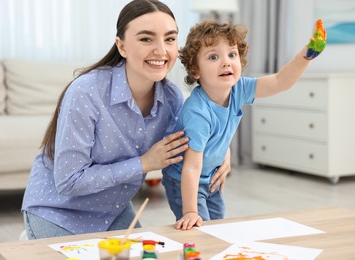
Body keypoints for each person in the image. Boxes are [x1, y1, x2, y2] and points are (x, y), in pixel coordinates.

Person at [21, 0, 231, 239]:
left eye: (170, 39)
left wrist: (222, 149)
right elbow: (68, 181)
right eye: (146, 39)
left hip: (113, 211)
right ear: (121, 46)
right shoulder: (86, 92)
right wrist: (144, 163)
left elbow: (193, 136)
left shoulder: (172, 98)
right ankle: (32, 237)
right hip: (57, 211)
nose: (161, 50)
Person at [162, 19, 326, 230]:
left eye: (232, 54)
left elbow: (280, 81)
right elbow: (191, 167)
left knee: (217, 227)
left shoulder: (239, 88)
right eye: (213, 57)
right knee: (198, 227)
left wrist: (307, 55)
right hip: (183, 178)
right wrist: (190, 211)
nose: (226, 62)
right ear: (195, 71)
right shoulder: (197, 112)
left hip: (210, 174)